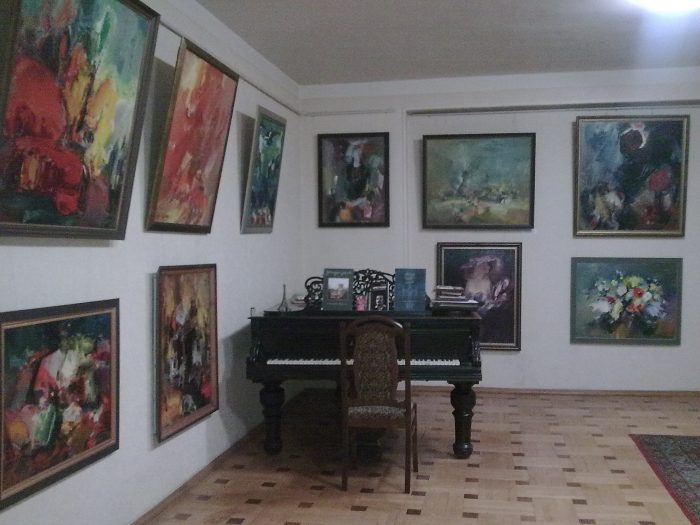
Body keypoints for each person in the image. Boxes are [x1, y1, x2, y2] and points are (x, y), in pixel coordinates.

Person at [460, 255, 513, 342]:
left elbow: (490, 300)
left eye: (488, 265)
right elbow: (466, 299)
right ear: (479, 267)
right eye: (485, 265)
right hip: (470, 313)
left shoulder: (487, 282)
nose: (488, 267)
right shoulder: (469, 281)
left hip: (484, 313)